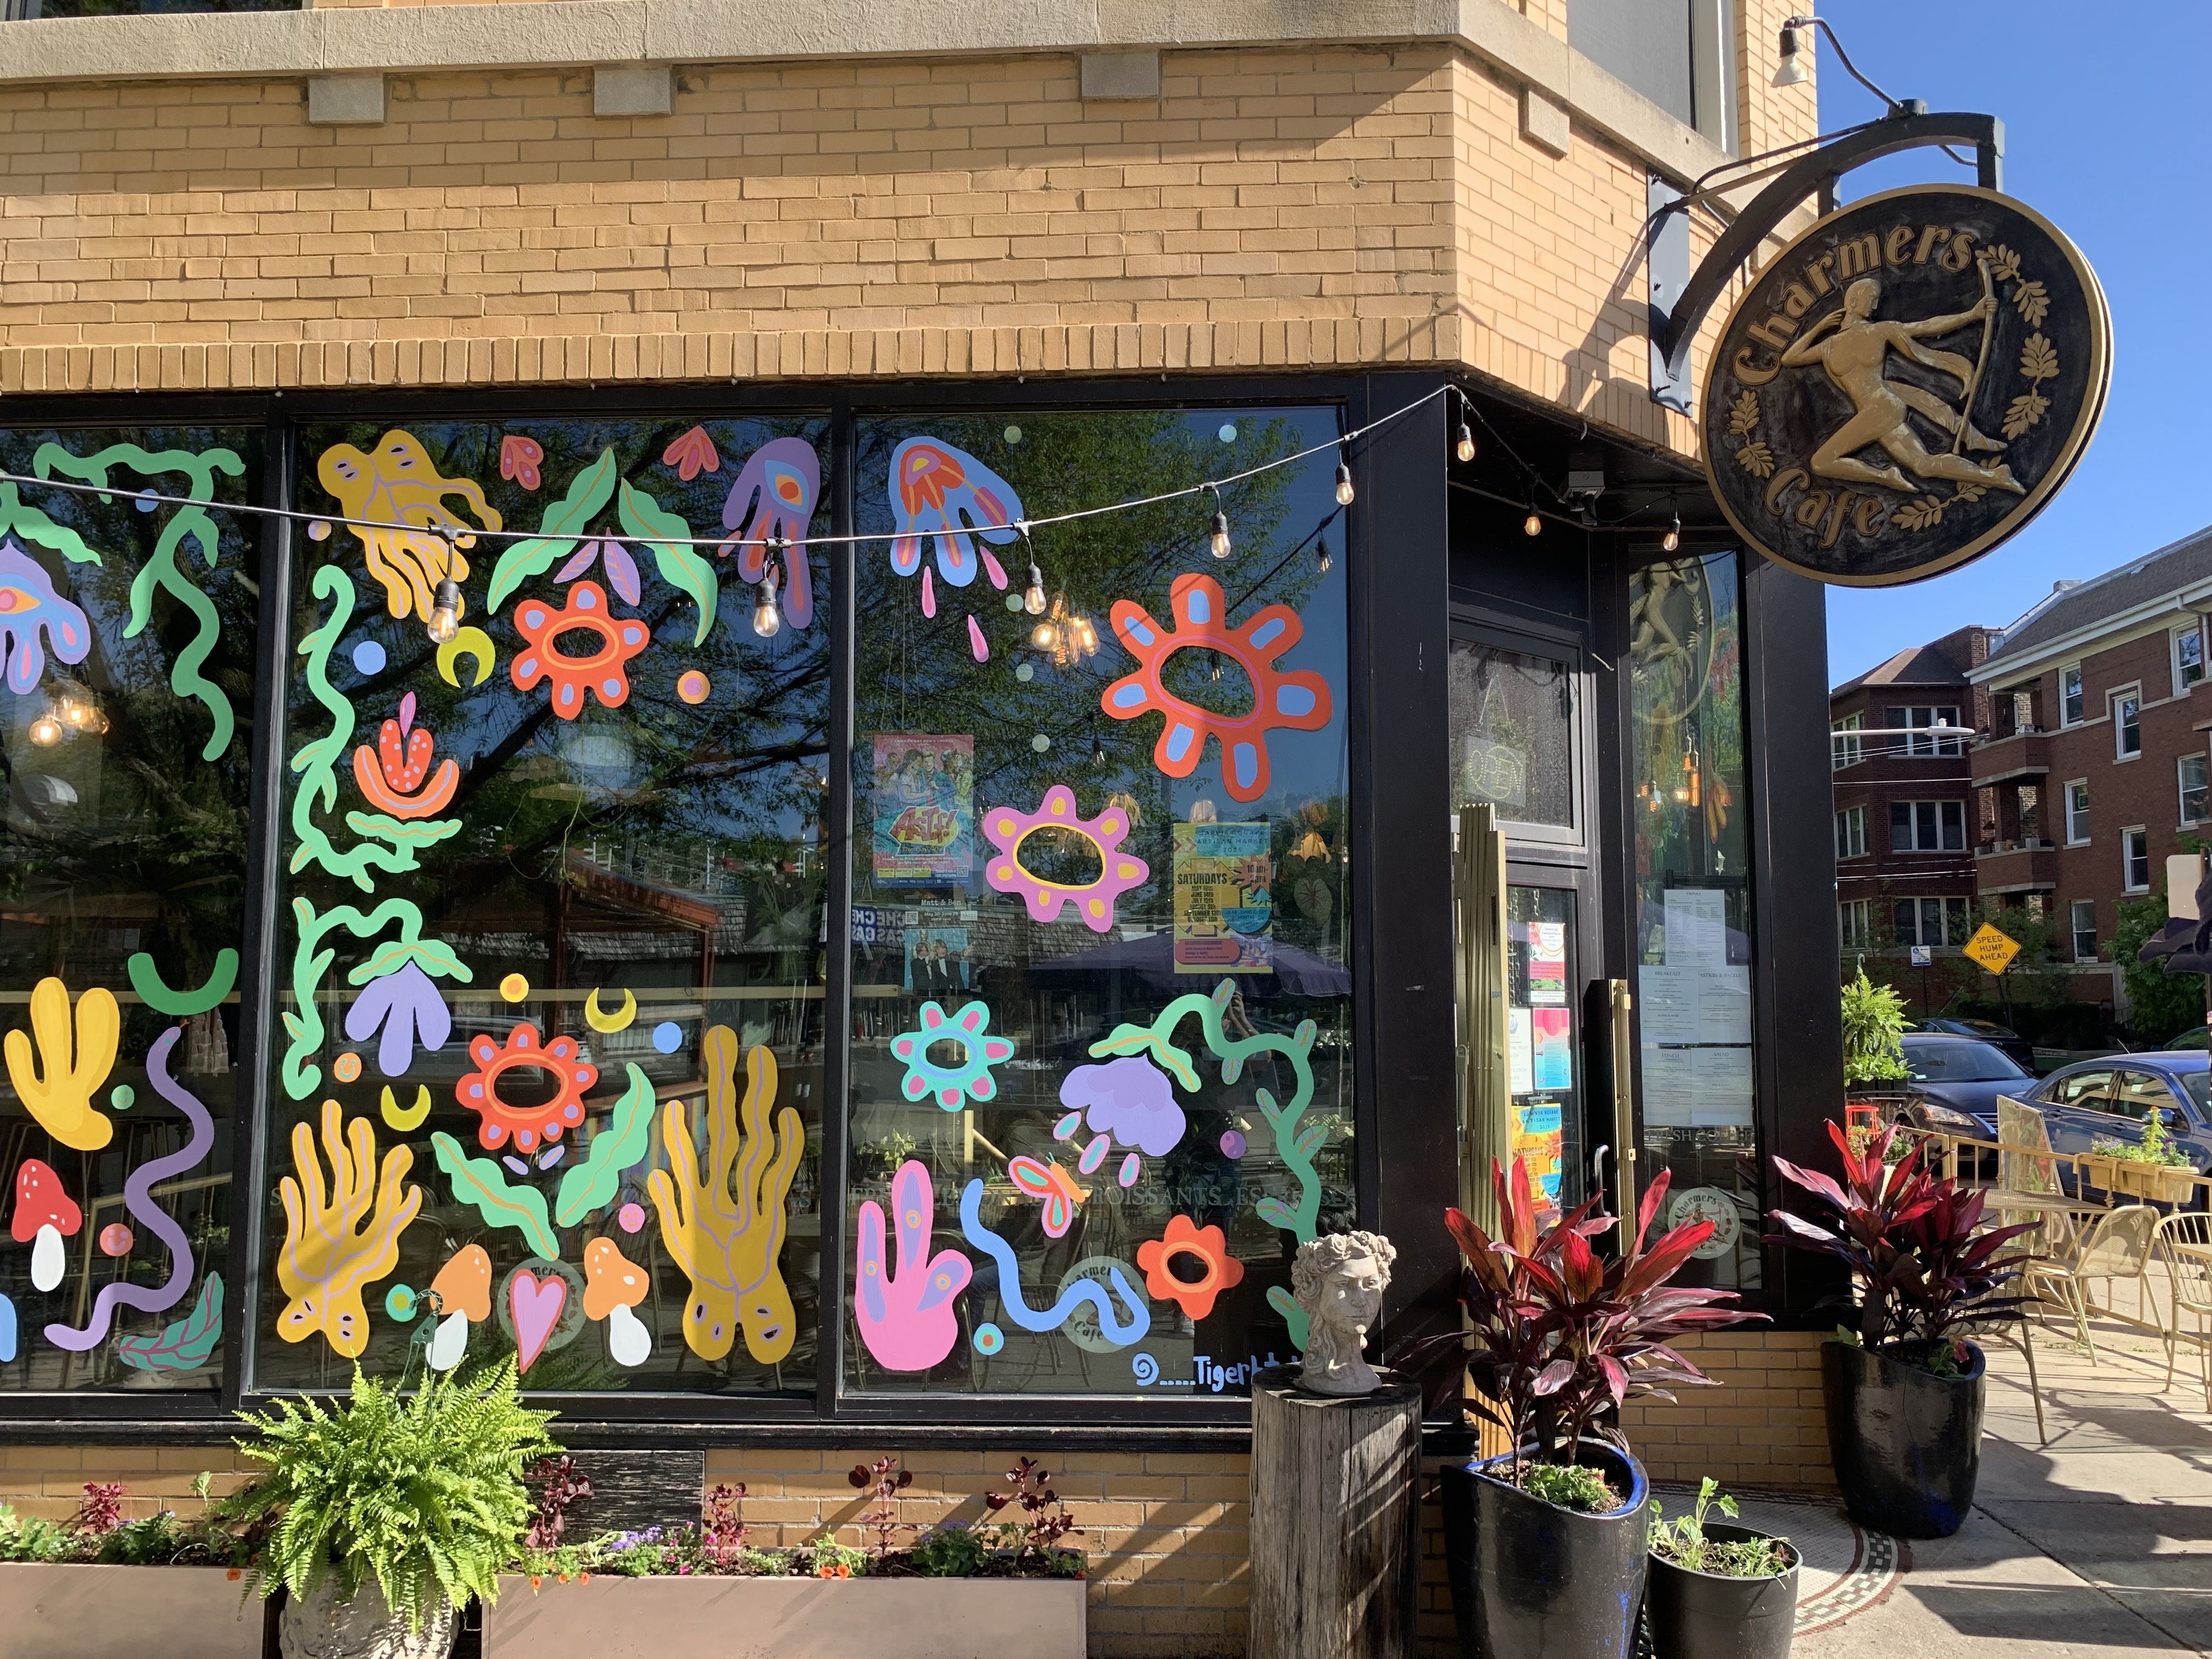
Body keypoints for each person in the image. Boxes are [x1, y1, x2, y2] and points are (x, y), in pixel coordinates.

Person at [1779, 275, 2022, 496]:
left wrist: (1971, 315)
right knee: (1923, 465)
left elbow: (1925, 327)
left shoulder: (1880, 331)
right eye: (1871, 299)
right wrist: (1821, 326)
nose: (1875, 305)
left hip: (1884, 406)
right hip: (1874, 413)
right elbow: (1789, 359)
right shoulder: (1829, 346)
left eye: (1877, 300)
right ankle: (1995, 476)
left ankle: (1886, 476)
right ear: (1852, 301)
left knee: (1821, 462)